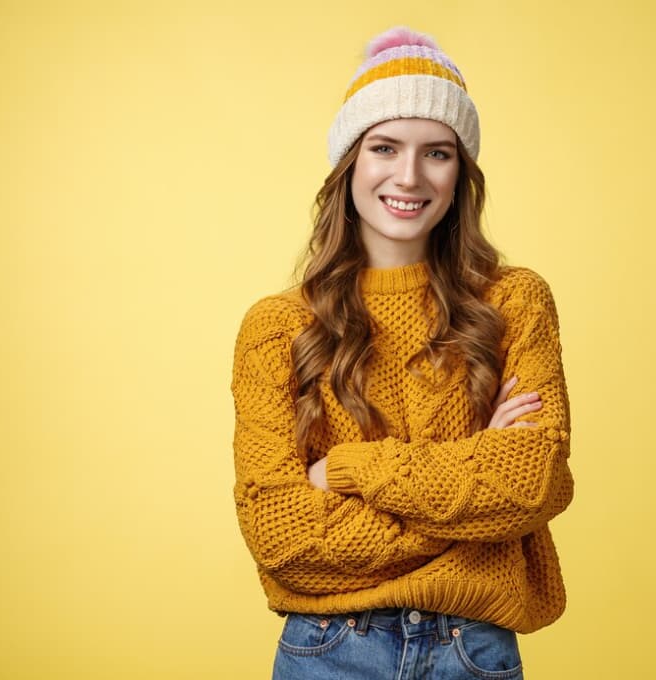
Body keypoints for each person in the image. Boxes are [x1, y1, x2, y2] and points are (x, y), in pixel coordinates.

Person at [231, 26, 573, 680]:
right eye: (385, 147)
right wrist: (478, 503)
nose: (409, 176)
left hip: (472, 651)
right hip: (328, 650)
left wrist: (347, 471)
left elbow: (531, 482)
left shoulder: (515, 303)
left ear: (460, 172)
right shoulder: (275, 328)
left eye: (437, 153)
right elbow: (281, 537)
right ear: (349, 164)